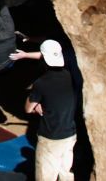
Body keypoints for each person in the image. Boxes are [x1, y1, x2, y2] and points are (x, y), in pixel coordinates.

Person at [23, 39, 77, 181]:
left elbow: (28, 109)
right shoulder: (70, 75)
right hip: (70, 134)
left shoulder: (41, 83)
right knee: (65, 172)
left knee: (45, 176)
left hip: (50, 137)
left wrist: (37, 104)